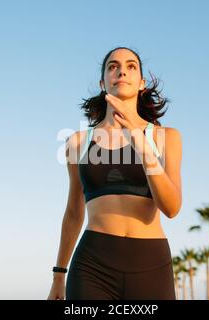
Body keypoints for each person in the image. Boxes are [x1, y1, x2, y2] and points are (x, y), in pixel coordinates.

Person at [47, 47, 182, 300]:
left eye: (131, 66)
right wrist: (58, 275)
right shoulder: (78, 142)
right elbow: (74, 213)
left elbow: (172, 208)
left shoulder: (166, 138)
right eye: (113, 66)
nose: (121, 70)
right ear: (103, 83)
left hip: (151, 266)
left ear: (141, 82)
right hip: (91, 268)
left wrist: (140, 144)